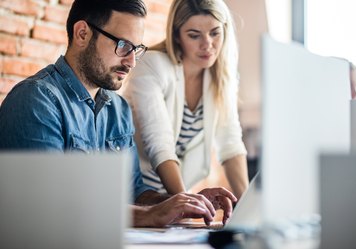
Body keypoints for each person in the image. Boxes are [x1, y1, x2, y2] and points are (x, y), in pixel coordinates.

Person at [0, 0, 236, 227]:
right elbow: (48, 206)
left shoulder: (118, 110)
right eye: (123, 45)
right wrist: (151, 215)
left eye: (136, 48)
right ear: (82, 34)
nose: (132, 61)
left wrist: (185, 201)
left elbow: (134, 193)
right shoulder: (37, 100)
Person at [123, 0, 249, 198]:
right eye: (194, 35)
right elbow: (159, 143)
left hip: (171, 195)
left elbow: (230, 144)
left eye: (215, 33)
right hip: (135, 194)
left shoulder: (223, 78)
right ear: (176, 35)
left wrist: (248, 209)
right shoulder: (151, 66)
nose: (207, 44)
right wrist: (183, 203)